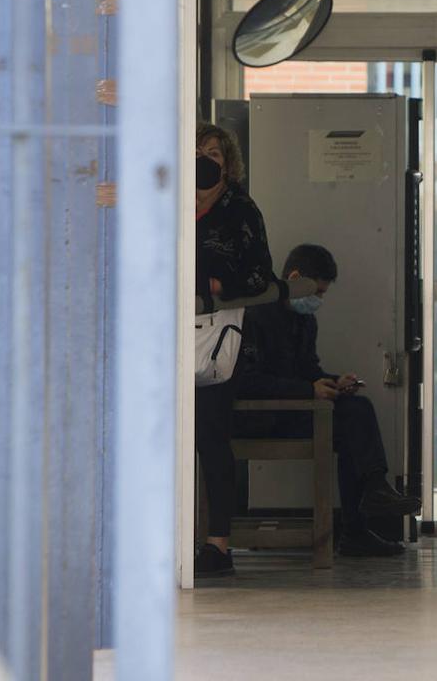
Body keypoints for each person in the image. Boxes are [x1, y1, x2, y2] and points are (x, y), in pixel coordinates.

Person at [235, 244, 422, 559]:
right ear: (295, 278)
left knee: (355, 414)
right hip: (263, 416)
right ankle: (365, 512)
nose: (318, 301)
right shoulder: (255, 315)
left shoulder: (304, 321)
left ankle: (364, 512)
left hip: (296, 408)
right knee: (353, 420)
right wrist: (309, 390)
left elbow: (308, 371)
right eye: (317, 292)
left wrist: (334, 383)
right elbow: (247, 381)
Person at [194, 123, 275, 577]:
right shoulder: (166, 199)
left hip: (216, 337)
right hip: (164, 332)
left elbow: (261, 274)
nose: (204, 160)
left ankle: (217, 544)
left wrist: (216, 284)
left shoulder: (240, 210)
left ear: (228, 162)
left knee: (211, 436)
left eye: (212, 153)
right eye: (196, 152)